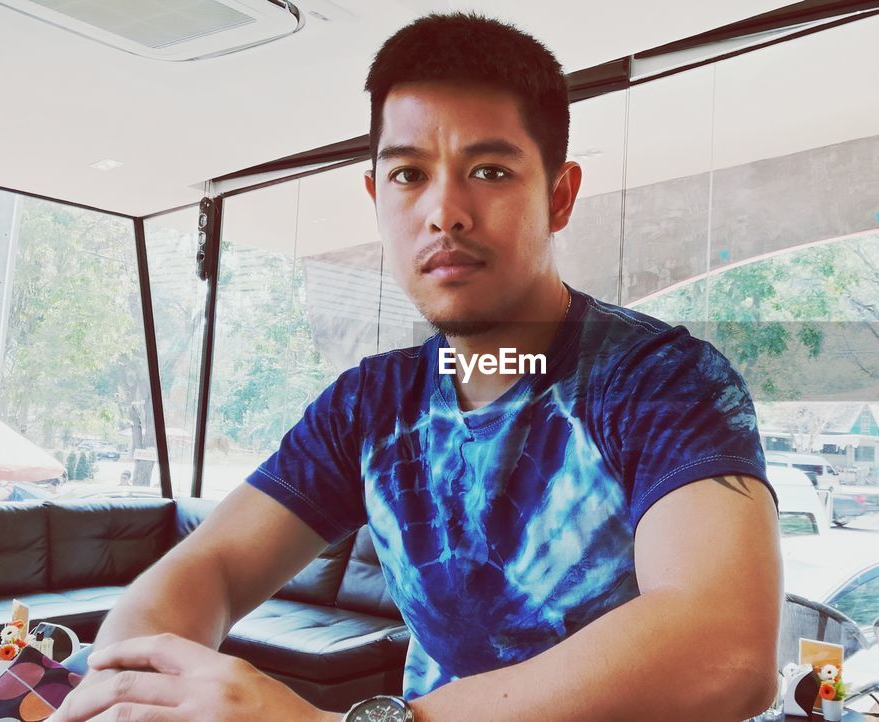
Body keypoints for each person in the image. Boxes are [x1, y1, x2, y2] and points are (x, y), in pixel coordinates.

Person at [51, 12, 781, 722]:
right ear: (376, 198)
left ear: (558, 197)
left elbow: (725, 652)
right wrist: (125, 689)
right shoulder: (371, 404)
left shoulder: (660, 382)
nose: (445, 212)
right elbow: (208, 569)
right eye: (408, 174)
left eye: (489, 170)